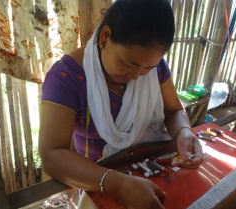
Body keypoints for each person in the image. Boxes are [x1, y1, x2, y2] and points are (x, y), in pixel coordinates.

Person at [39, 0, 203, 208]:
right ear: (105, 37)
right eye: (129, 64)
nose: (136, 76)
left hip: (152, 169)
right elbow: (52, 154)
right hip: (96, 183)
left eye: (147, 68)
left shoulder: (156, 68)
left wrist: (184, 132)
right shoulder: (67, 77)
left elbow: (173, 110)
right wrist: (119, 184)